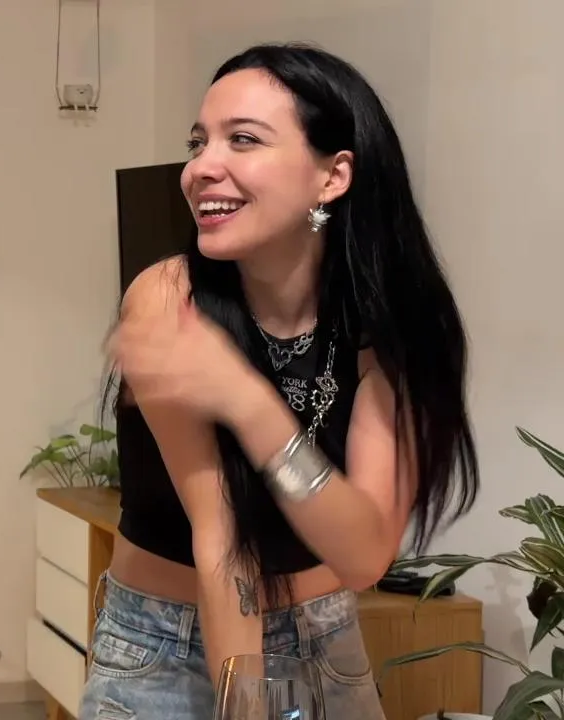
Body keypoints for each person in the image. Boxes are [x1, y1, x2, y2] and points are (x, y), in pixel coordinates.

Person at [81, 43, 480, 718]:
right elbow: (224, 544)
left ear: (333, 176)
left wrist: (247, 402)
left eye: (242, 140)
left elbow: (363, 556)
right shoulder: (169, 299)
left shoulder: (393, 324)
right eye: (198, 143)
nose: (200, 168)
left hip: (326, 641)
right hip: (160, 652)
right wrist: (246, 707)